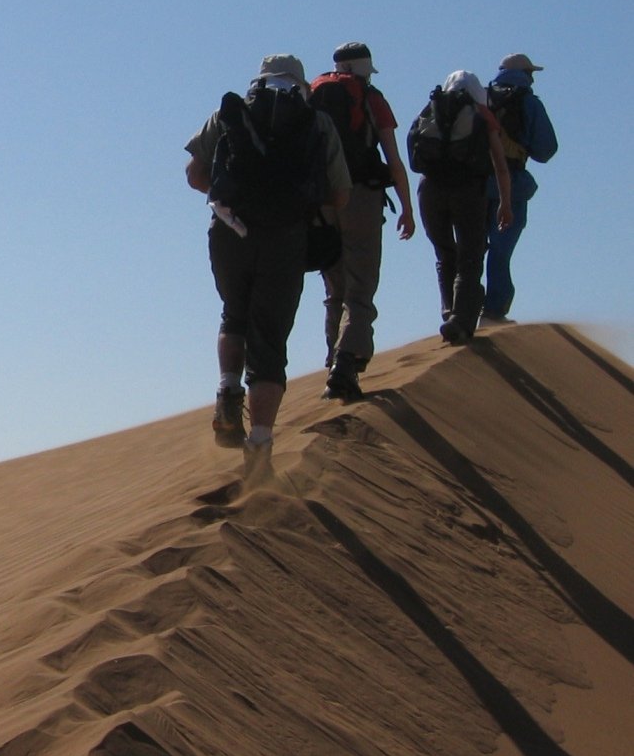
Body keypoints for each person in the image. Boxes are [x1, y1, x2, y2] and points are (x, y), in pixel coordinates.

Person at [186, 54, 350, 451]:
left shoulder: (230, 114)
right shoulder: (317, 122)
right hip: (286, 239)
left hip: (229, 232)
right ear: (301, 83)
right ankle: (259, 446)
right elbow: (341, 194)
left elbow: (194, 174)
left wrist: (232, 195)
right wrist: (300, 203)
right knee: (270, 341)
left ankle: (227, 391)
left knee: (234, 314)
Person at [309, 42, 416, 401]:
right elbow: (393, 158)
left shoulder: (313, 93)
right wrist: (406, 206)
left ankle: (333, 361)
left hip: (323, 200)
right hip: (362, 197)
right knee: (361, 288)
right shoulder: (372, 99)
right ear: (362, 70)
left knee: (334, 290)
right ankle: (345, 365)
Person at [407, 71, 513, 346]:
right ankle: (461, 321)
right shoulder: (482, 115)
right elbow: (500, 165)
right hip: (467, 191)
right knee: (470, 257)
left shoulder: (430, 110)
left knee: (444, 254)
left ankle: (449, 311)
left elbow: (413, 155)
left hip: (429, 190)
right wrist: (505, 202)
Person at [481, 54, 558, 324]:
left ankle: (461, 311)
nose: (532, 78)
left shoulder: (479, 98)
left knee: (470, 252)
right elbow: (546, 149)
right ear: (524, 74)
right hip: (511, 185)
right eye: (530, 72)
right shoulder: (528, 101)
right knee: (500, 253)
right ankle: (493, 311)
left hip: (473, 186)